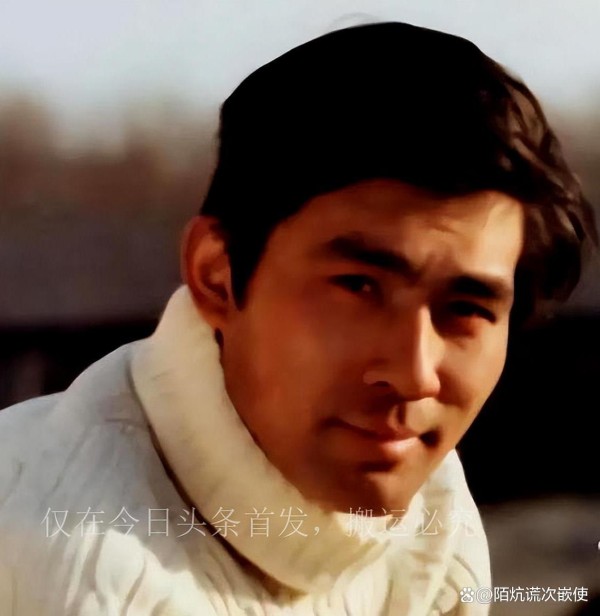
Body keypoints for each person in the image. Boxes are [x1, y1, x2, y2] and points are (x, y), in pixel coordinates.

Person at [0, 22, 595, 616]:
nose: (415, 374)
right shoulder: (58, 559)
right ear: (216, 275)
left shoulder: (433, 512)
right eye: (358, 286)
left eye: (465, 308)